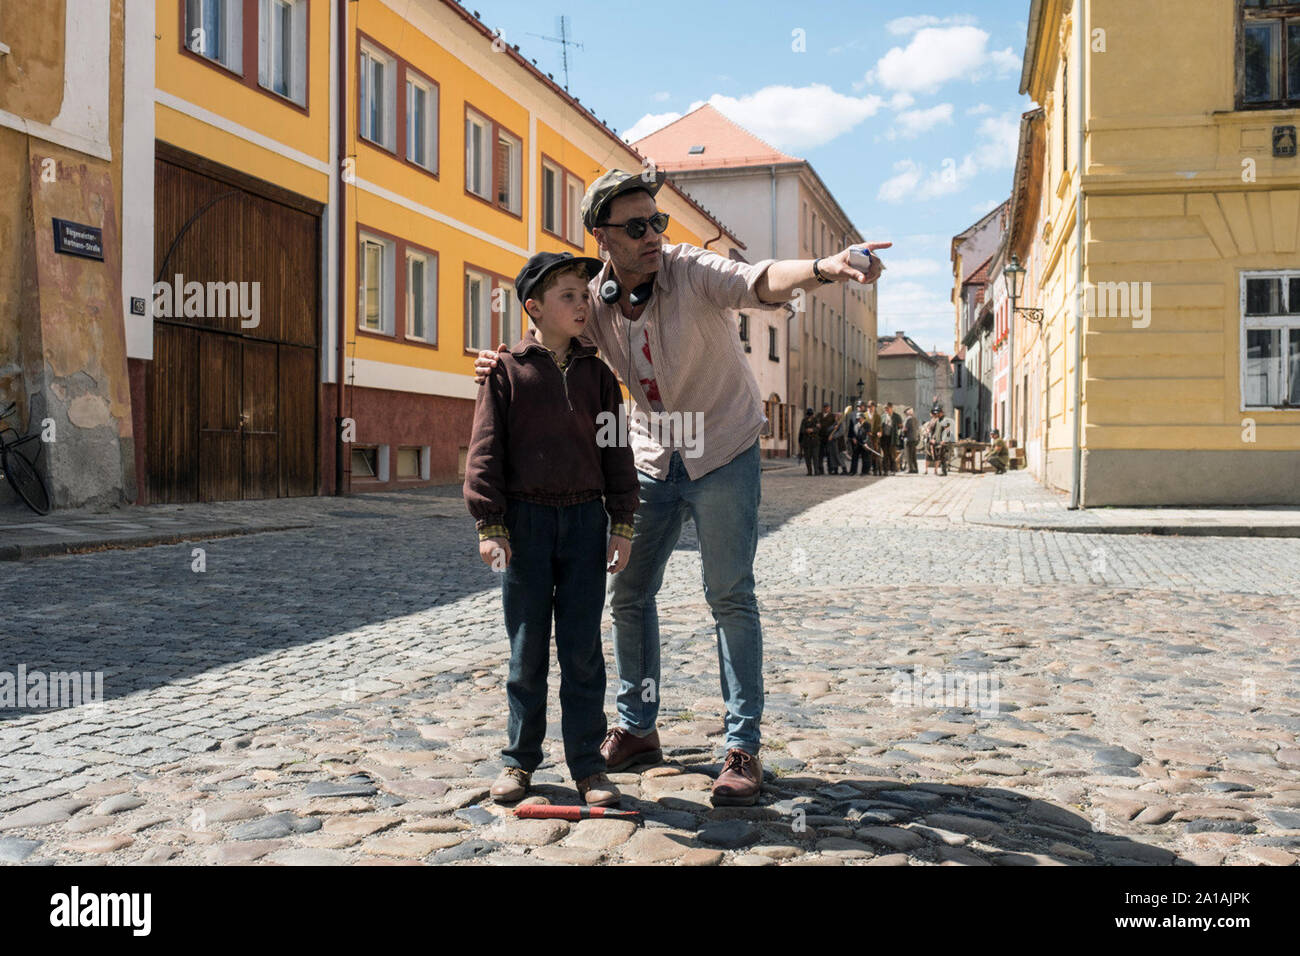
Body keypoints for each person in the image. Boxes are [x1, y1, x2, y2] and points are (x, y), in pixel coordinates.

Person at [474, 168, 888, 806]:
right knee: (630, 593)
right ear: (602, 237)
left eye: (657, 222)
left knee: (728, 593)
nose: (653, 236)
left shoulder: (692, 269)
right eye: (636, 227)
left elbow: (758, 280)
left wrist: (825, 267)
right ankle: (638, 728)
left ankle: (742, 745)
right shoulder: (594, 304)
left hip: (722, 447)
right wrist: (500, 361)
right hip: (650, 458)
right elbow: (548, 338)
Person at [463, 251, 638, 808]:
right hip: (526, 523)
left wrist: (623, 522)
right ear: (533, 306)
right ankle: (519, 761)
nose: (583, 304)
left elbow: (616, 450)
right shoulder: (506, 372)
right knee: (526, 647)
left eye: (586, 295)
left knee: (583, 648)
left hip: (587, 521)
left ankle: (589, 766)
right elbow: (485, 451)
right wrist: (490, 523)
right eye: (569, 296)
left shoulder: (599, 376)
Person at [815, 403, 838, 475]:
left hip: (828, 437)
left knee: (829, 454)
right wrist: (817, 424)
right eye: (825, 407)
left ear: (829, 408)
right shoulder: (819, 415)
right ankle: (820, 469)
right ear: (823, 408)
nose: (826, 409)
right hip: (820, 436)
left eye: (827, 407)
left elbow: (836, 424)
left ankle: (830, 469)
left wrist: (833, 433)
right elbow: (815, 421)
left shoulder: (832, 416)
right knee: (820, 454)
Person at [798, 408, 819, 476]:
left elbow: (818, 429)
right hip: (806, 442)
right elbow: (801, 430)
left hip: (815, 442)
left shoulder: (816, 420)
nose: (810, 416)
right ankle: (809, 471)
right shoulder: (804, 420)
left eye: (811, 415)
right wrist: (806, 430)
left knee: (815, 457)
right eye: (809, 415)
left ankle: (816, 471)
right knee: (807, 458)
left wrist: (812, 430)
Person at [903, 407, 919, 473]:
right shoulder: (915, 419)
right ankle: (915, 468)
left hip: (909, 439)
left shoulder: (908, 419)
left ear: (907, 413)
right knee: (913, 455)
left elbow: (905, 429)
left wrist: (901, 431)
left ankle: (910, 469)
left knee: (908, 455)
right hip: (914, 438)